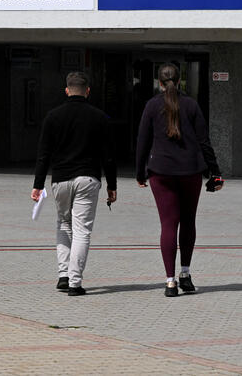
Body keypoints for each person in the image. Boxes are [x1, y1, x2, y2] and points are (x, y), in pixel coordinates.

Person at [136, 64, 223, 297]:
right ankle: (185, 274)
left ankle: (170, 281)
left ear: (159, 82)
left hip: (160, 171)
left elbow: (142, 141)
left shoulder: (152, 105)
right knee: (188, 222)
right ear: (180, 80)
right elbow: (204, 141)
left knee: (168, 224)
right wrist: (215, 172)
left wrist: (139, 172)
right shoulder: (191, 105)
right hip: (190, 171)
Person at [31, 71, 117, 297]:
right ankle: (75, 283)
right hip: (88, 178)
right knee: (82, 231)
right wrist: (112, 185)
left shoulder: (53, 116)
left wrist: (38, 184)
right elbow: (108, 155)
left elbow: (43, 154)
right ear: (88, 91)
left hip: (60, 179)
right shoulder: (100, 117)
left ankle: (63, 275)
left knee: (63, 224)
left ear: (67, 90)